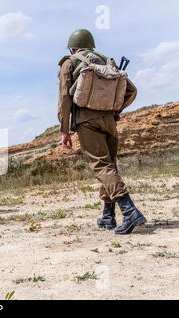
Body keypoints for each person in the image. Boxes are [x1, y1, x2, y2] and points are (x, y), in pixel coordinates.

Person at [57, 29, 146, 235]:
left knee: (101, 166)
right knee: (110, 167)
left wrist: (65, 131)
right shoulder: (106, 61)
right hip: (109, 121)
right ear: (91, 45)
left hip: (86, 121)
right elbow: (131, 90)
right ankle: (108, 216)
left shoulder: (69, 62)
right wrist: (116, 109)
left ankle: (130, 211)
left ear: (72, 47)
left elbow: (64, 98)